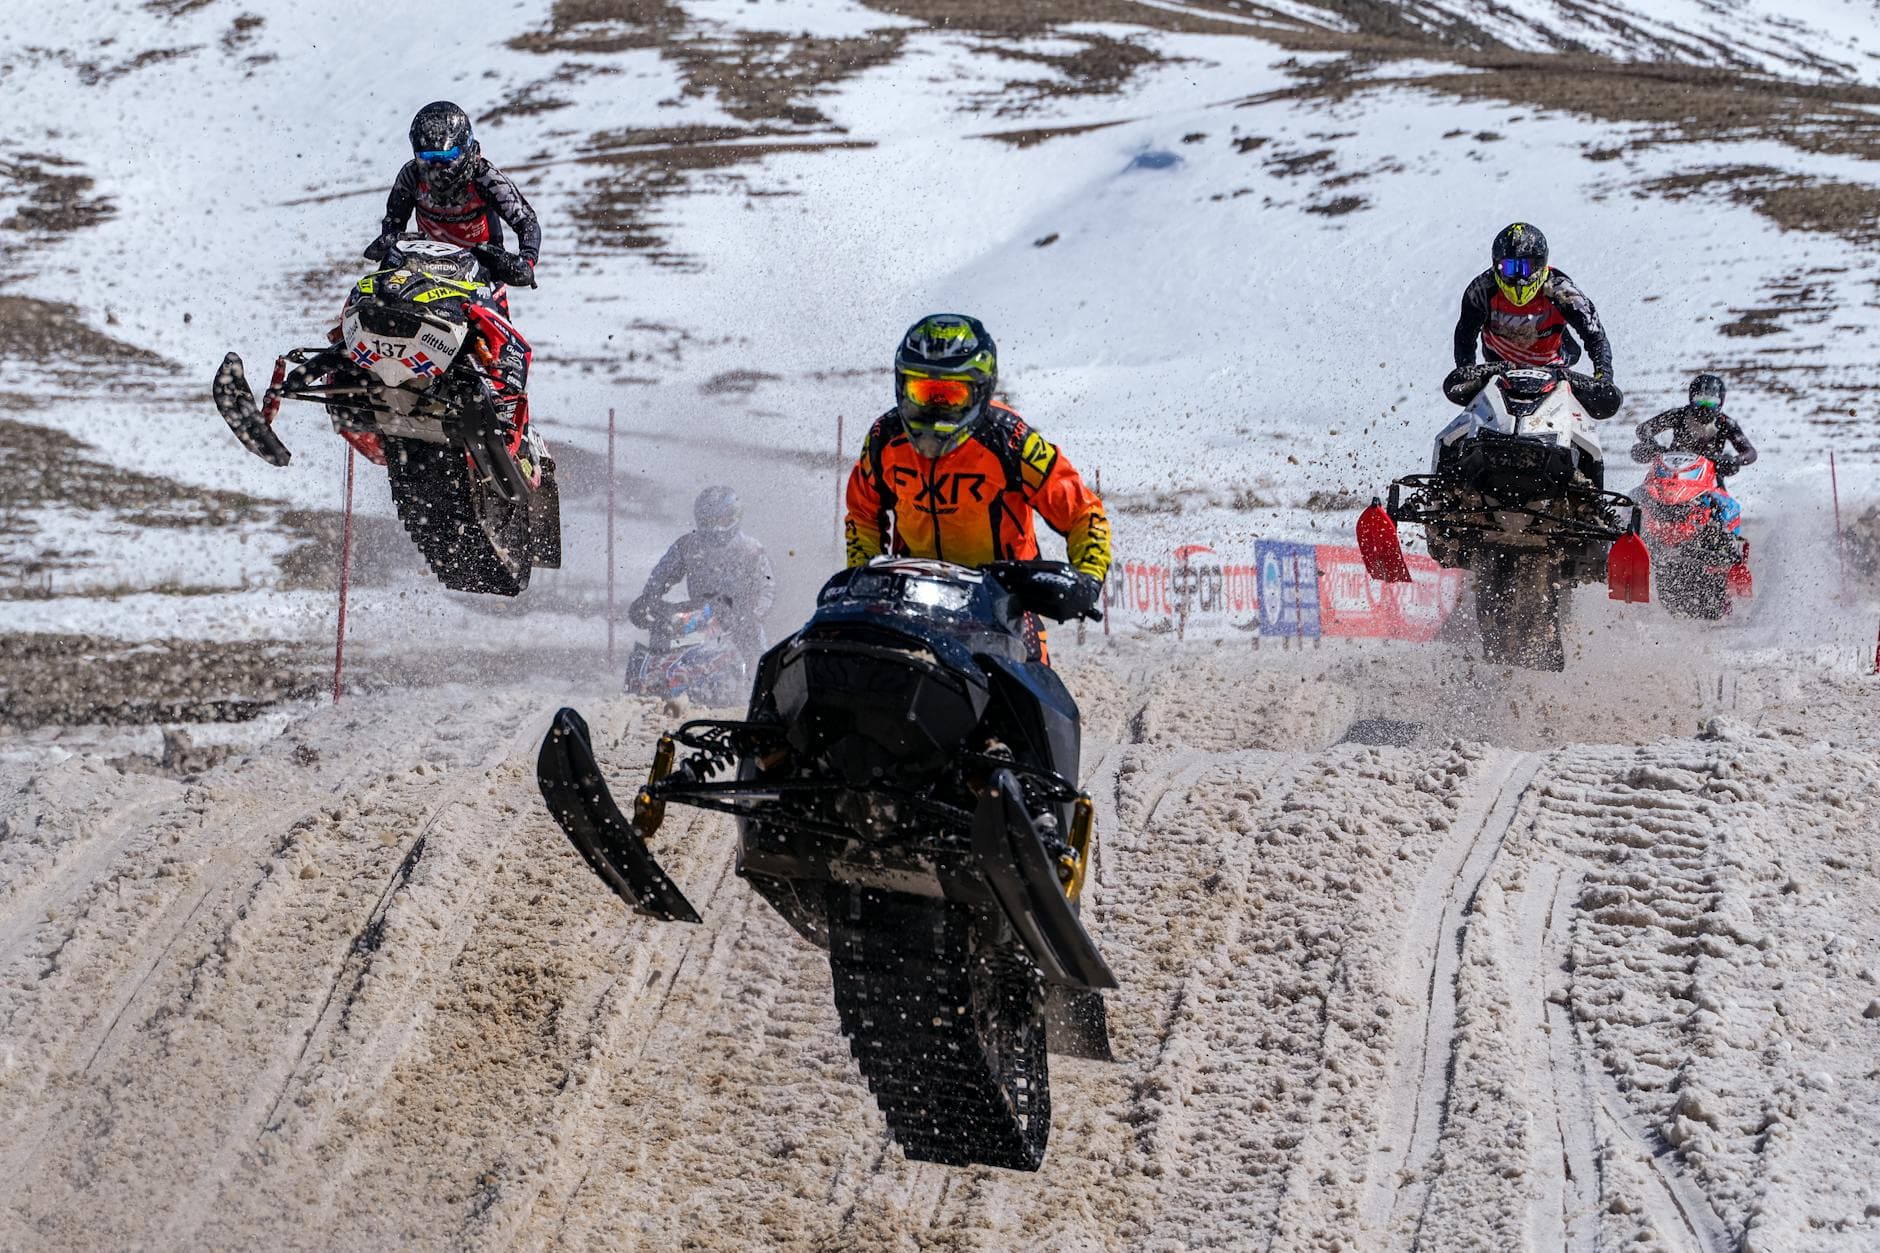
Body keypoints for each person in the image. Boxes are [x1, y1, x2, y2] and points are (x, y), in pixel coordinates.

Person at [844, 314, 1111, 661]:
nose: (935, 407)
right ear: (902, 385)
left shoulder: (1011, 441)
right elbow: (862, 514)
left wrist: (1087, 579)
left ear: (979, 390)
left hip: (1003, 604)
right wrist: (864, 576)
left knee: (1032, 688)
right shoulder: (884, 439)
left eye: (950, 394)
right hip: (911, 599)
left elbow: (1083, 512)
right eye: (923, 392)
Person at [632, 486, 776, 668]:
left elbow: (767, 587)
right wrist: (649, 600)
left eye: (722, 520)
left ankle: (755, 679)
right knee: (662, 628)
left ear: (735, 517)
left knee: (760, 657)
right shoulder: (687, 545)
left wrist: (754, 615)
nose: (716, 528)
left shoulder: (751, 549)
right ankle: (656, 677)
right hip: (699, 613)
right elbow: (661, 575)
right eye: (709, 521)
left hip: (740, 616)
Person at [1453, 222, 1614, 381]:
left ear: (1540, 264)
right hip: (1500, 369)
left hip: (1554, 368)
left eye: (1525, 268)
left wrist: (1603, 375)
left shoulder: (1561, 289)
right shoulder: (1481, 290)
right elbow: (1464, 335)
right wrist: (1466, 370)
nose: (1519, 279)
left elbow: (1595, 335)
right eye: (1510, 268)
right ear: (1496, 265)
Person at [1630, 373, 1758, 481]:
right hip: (1670, 471)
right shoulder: (1679, 415)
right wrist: (1654, 448)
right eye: (1700, 400)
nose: (1705, 407)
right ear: (1691, 399)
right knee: (1643, 493)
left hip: (1709, 478)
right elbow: (1644, 429)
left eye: (1711, 402)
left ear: (1721, 402)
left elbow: (1750, 452)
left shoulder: (1725, 423)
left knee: (1721, 502)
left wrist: (1734, 461)